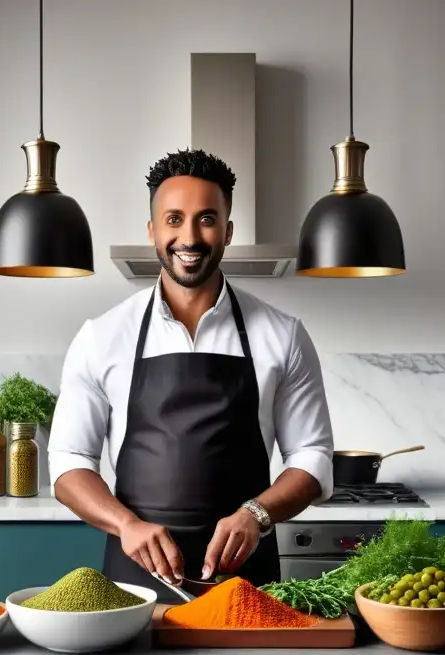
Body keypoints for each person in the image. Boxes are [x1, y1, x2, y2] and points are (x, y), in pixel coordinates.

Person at [47, 148, 334, 603]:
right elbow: (68, 462)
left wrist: (256, 513)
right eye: (174, 219)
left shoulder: (283, 336)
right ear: (153, 231)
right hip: (134, 579)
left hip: (246, 579)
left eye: (206, 219)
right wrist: (127, 525)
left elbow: (313, 456)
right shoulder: (102, 337)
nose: (189, 236)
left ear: (228, 230)